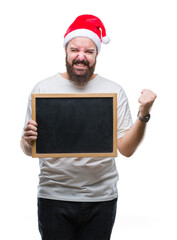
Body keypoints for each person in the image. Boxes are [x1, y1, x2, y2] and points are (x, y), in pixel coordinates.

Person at [20, 14, 157, 240]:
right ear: (66, 51)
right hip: (54, 196)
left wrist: (143, 114)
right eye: (75, 50)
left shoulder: (113, 91)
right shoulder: (43, 89)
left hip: (101, 198)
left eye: (89, 52)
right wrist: (27, 140)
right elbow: (28, 149)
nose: (81, 57)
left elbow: (126, 149)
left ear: (96, 55)